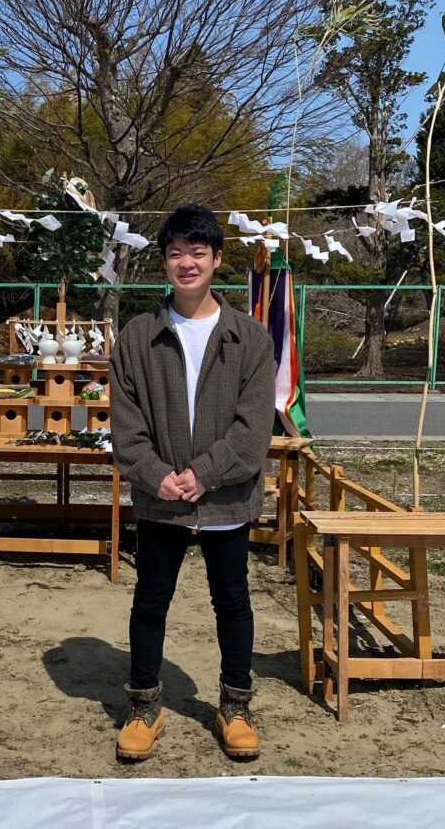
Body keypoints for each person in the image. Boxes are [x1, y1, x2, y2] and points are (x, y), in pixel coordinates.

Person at [109, 203, 276, 762]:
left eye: (197, 252)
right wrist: (160, 477)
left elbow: (253, 433)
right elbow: (125, 426)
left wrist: (202, 474)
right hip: (161, 500)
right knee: (151, 597)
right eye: (176, 253)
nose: (187, 263)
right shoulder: (136, 336)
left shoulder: (249, 338)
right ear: (163, 261)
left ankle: (235, 705)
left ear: (217, 259)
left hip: (226, 496)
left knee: (232, 600)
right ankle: (143, 705)